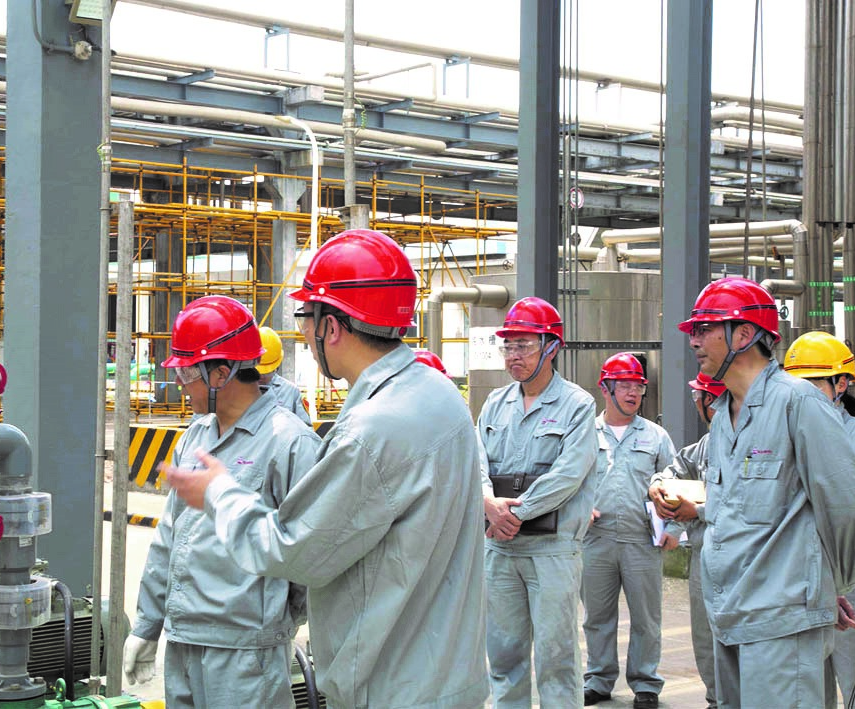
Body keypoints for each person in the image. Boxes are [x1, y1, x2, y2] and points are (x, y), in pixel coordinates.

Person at [163, 229, 489, 709]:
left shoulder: (371, 430)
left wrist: (218, 494)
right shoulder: (439, 395)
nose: (304, 334)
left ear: (331, 327)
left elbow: (295, 551)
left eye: (306, 318)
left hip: (389, 687)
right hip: (444, 676)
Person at [677, 276, 855, 707]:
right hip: (729, 614)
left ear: (744, 334)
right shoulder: (722, 417)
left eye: (705, 328)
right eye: (694, 330)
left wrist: (832, 585)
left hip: (782, 620)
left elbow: (845, 506)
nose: (694, 340)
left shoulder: (799, 403)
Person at [122, 295, 320, 708]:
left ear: (221, 373)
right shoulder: (195, 436)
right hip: (184, 639)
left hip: (246, 653)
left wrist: (273, 622)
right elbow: (169, 539)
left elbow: (310, 553)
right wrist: (147, 625)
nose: (180, 384)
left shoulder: (289, 443)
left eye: (187, 373)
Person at [477, 296, 598, 707]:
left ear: (552, 347)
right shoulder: (494, 404)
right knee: (503, 656)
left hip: (552, 551)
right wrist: (488, 503)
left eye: (524, 345)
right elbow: (476, 462)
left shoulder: (577, 405)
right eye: (508, 346)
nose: (514, 355)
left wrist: (513, 513)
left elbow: (568, 475)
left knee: (556, 657)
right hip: (500, 551)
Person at [582, 353, 676, 708]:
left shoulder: (656, 436)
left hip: (642, 539)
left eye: (638, 386)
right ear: (605, 388)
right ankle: (598, 679)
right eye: (624, 385)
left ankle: (646, 683)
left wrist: (675, 527)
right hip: (595, 539)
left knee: (646, 618)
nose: (633, 393)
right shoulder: (584, 434)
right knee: (596, 617)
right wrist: (577, 511)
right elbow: (569, 480)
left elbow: (675, 482)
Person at [783, 330, 855, 708]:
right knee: (808, 692)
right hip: (801, 586)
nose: (801, 395)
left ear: (841, 384)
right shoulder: (785, 438)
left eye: (813, 384)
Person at [648, 371, 728, 709]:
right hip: (704, 555)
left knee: (737, 635)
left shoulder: (750, 441)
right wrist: (657, 484)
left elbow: (751, 504)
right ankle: (716, 700)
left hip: (742, 558)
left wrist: (697, 511)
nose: (696, 402)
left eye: (698, 396)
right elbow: (677, 468)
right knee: (704, 634)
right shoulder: (707, 444)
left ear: (711, 400)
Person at [258, 325, 312, 425]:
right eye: (258, 371)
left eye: (267, 371)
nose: (262, 376)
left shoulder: (290, 392)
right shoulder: (239, 390)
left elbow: (306, 427)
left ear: (277, 365)